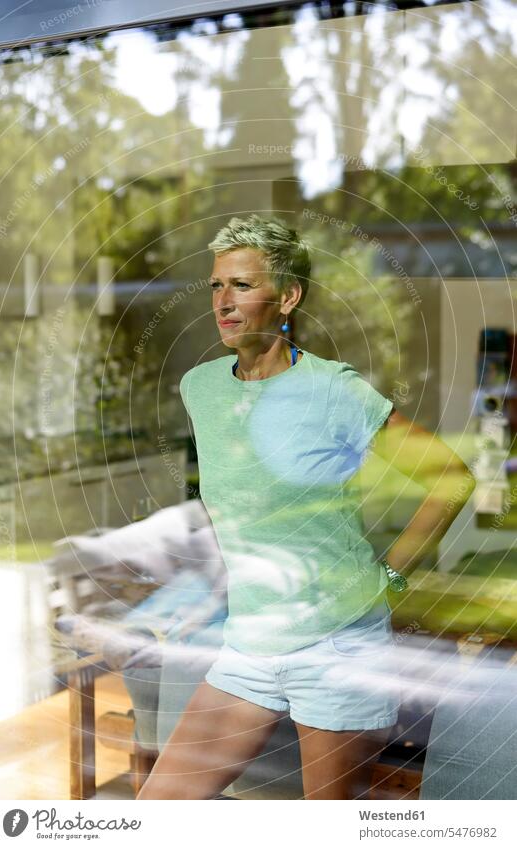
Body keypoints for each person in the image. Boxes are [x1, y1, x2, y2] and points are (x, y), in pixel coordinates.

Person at [137, 214, 475, 800]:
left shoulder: (334, 391)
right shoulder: (202, 388)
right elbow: (238, 509)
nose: (224, 300)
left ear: (287, 296)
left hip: (337, 646)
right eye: (217, 285)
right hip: (249, 644)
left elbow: (451, 478)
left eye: (242, 285)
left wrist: (389, 579)